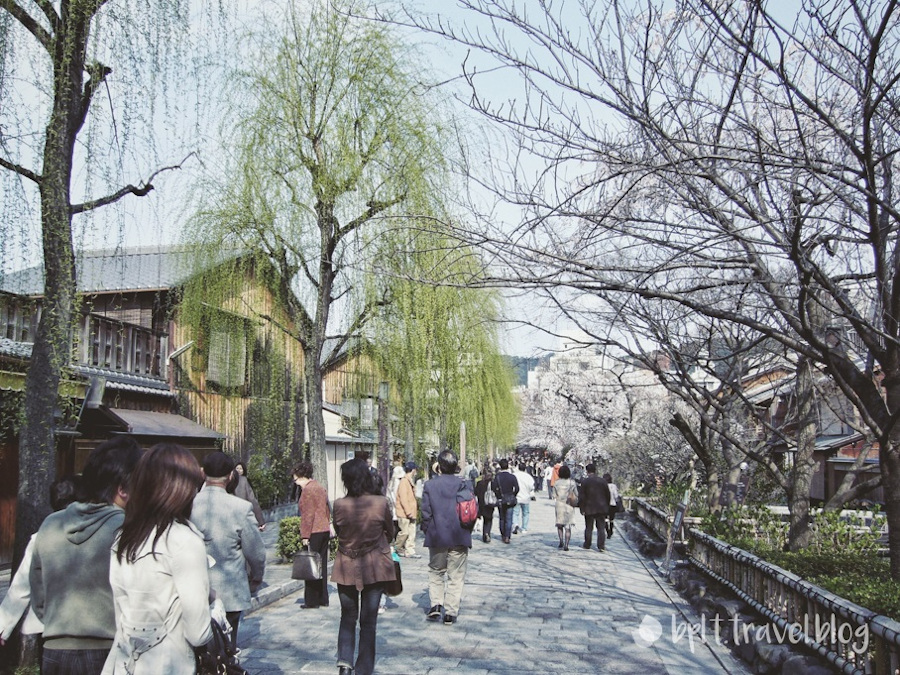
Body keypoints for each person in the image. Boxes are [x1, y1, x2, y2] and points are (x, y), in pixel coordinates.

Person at [30, 436, 143, 675]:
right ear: (123, 488)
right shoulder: (129, 528)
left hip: (53, 650)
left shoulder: (50, 524)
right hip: (109, 651)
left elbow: (38, 596)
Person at [102, 443, 213, 674]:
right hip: (170, 662)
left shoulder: (125, 537)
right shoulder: (183, 539)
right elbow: (198, 632)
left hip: (125, 660)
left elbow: (120, 609)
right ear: (183, 487)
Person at [192, 451, 266, 648]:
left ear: (202, 473)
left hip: (192, 588)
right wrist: (256, 576)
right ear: (231, 475)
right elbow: (256, 552)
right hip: (229, 589)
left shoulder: (188, 504)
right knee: (227, 647)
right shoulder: (240, 508)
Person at [0, 477, 77, 663]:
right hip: (89, 629)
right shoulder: (101, 532)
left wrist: (3, 626)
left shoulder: (41, 537)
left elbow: (22, 585)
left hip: (48, 626)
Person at [330, 458, 396, 675]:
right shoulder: (380, 503)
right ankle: (364, 668)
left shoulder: (339, 505)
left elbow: (340, 533)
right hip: (375, 565)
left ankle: (344, 664)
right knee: (369, 621)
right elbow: (391, 532)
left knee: (347, 616)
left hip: (346, 565)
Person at [421, 450, 472, 625]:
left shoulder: (430, 485)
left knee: (436, 571)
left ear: (439, 466)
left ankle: (436, 605)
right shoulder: (465, 484)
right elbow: (471, 509)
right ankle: (450, 612)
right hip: (459, 535)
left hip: (437, 535)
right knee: (456, 575)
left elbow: (425, 513)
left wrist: (426, 530)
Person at [293, 460, 331, 609]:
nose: (296, 483)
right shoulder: (320, 487)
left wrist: (305, 535)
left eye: (296, 479)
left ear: (302, 477)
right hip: (324, 529)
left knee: (310, 566)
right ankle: (323, 598)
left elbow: (308, 515)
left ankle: (311, 600)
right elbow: (327, 508)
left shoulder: (308, 490)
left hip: (314, 530)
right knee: (321, 565)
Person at [579, 464, 612, 551]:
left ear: (587, 471)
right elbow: (608, 495)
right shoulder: (603, 481)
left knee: (589, 527)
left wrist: (582, 508)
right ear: (595, 470)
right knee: (601, 527)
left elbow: (582, 496)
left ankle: (587, 544)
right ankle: (601, 546)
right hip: (601, 507)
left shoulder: (585, 482)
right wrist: (607, 506)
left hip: (589, 508)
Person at [394, 461, 420, 558]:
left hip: (410, 512)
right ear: (413, 470)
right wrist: (408, 512)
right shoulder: (404, 482)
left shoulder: (409, 480)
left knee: (411, 533)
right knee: (404, 532)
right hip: (404, 512)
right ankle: (396, 547)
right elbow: (403, 498)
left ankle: (410, 550)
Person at [230, 461, 266, 531]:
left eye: (241, 468)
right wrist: (260, 521)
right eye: (237, 468)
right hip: (243, 517)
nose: (239, 470)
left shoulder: (227, 480)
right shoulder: (243, 481)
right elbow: (252, 499)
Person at [490, 458, 518, 544]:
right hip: (510, 499)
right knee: (509, 519)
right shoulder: (512, 477)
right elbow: (517, 488)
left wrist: (498, 495)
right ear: (508, 466)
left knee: (502, 518)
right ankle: (507, 536)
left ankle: (503, 535)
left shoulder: (497, 477)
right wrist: (513, 495)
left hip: (500, 499)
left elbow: (493, 488)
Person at [554, 464, 578, 551]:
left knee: (559, 525)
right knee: (568, 526)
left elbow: (554, 495)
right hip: (569, 505)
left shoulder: (556, 483)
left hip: (559, 505)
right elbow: (576, 494)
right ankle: (567, 544)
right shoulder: (572, 482)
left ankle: (561, 541)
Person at [473, 470, 496, 543]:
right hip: (489, 504)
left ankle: (484, 534)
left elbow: (475, 492)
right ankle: (487, 533)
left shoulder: (479, 483)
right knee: (488, 520)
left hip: (481, 504)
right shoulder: (492, 484)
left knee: (481, 518)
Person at [512, 462, 535, 534]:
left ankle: (515, 524)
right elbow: (532, 487)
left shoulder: (514, 475)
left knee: (515, 512)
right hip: (525, 497)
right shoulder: (528, 477)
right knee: (525, 513)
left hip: (516, 496)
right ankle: (524, 528)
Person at [604, 472, 621, 538]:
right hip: (612, 504)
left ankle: (607, 530)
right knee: (611, 519)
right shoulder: (613, 486)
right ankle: (610, 531)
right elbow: (616, 495)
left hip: (605, 504)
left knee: (605, 519)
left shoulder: (603, 486)